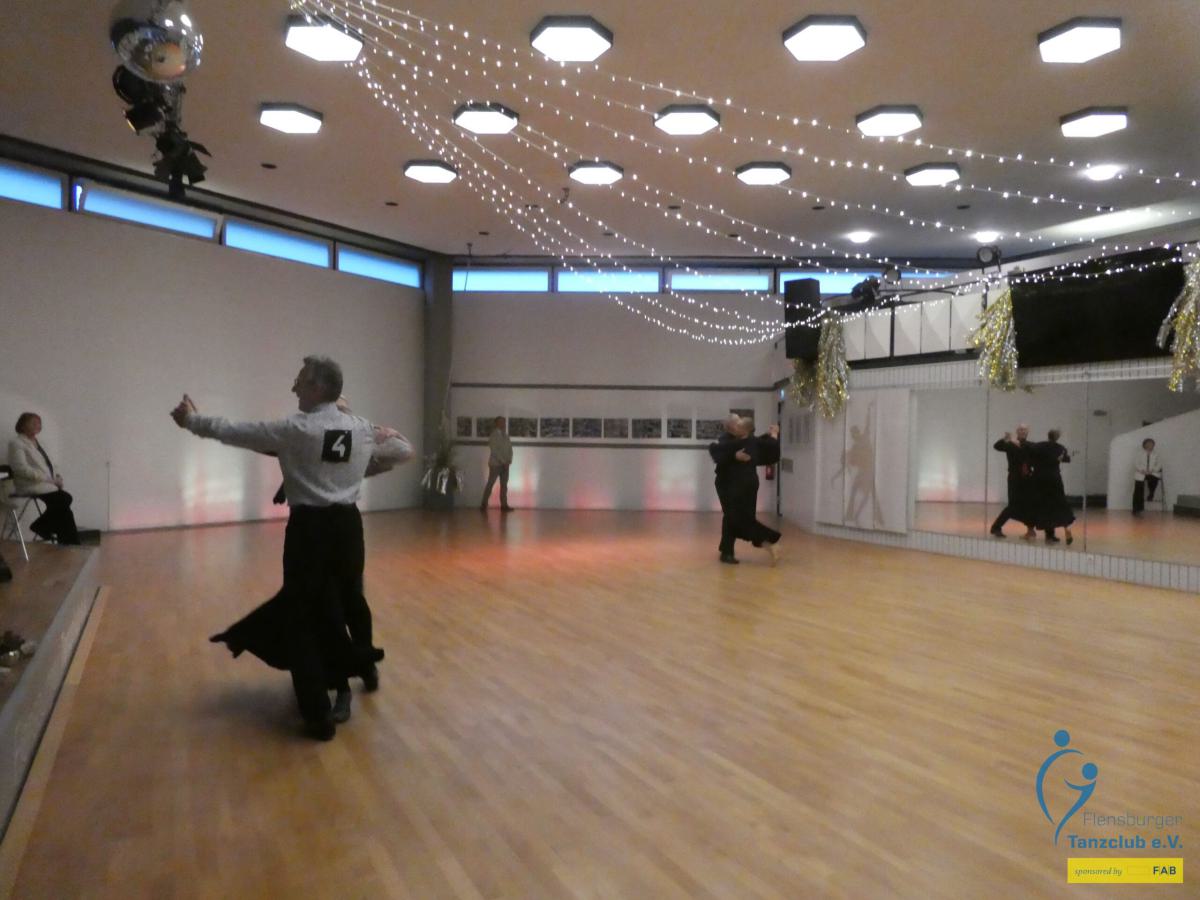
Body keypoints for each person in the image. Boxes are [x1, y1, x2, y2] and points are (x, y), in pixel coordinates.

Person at [171, 355, 412, 740]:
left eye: (300, 380)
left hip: (310, 531)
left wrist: (191, 421)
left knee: (303, 618)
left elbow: (236, 431)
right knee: (346, 601)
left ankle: (318, 713)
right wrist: (362, 465)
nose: (293, 386)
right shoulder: (362, 429)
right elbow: (402, 448)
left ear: (318, 387)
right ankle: (357, 667)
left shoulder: (296, 429)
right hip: (348, 531)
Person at [709, 416, 782, 565]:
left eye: (740, 423)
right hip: (727, 484)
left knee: (738, 518)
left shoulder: (748, 440)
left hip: (747, 484)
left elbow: (766, 450)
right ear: (730, 428)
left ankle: (727, 551)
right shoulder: (726, 440)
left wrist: (773, 436)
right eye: (736, 424)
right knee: (734, 517)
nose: (738, 425)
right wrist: (734, 456)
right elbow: (717, 453)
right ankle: (767, 540)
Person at [7, 413, 81, 545]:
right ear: (22, 425)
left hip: (45, 483)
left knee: (63, 507)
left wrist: (57, 477)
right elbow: (21, 469)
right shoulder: (16, 443)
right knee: (64, 499)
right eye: (33, 423)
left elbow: (50, 464)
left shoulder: (39, 443)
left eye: (39, 423)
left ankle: (64, 540)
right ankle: (63, 539)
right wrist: (49, 480)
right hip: (29, 484)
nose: (38, 425)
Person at [990, 424, 1036, 540]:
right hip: (1015, 479)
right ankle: (996, 527)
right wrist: (1005, 439)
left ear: (1028, 432)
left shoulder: (1030, 445)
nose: (1023, 431)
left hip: (1027, 479)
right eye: (1020, 429)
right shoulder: (1010, 445)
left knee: (1029, 505)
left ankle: (1030, 531)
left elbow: (1029, 449)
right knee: (1013, 506)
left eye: (1025, 430)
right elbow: (997, 446)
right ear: (1017, 432)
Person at [1030, 429, 1075, 545]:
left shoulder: (1038, 446)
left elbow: (1030, 455)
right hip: (1054, 479)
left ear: (1048, 435)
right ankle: (1066, 527)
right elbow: (1067, 459)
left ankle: (1050, 535)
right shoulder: (1061, 448)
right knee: (1061, 504)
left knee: (1046, 506)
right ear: (1057, 437)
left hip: (1040, 479)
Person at [479, 416, 514, 511]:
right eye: (501, 422)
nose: (503, 424)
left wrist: (509, 460)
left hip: (505, 465)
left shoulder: (506, 435)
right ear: (496, 423)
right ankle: (484, 504)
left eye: (504, 422)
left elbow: (510, 449)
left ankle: (504, 505)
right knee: (490, 484)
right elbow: (494, 451)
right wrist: (503, 461)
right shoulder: (493, 436)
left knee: (504, 486)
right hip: (495, 465)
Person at [1132, 437, 1162, 515]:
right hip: (1141, 473)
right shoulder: (1139, 453)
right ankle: (1137, 509)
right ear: (1144, 445)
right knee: (1138, 489)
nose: (1150, 446)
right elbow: (1136, 463)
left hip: (1152, 473)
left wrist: (1152, 470)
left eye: (1152, 444)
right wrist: (1142, 470)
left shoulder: (1156, 454)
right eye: (1148, 444)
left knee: (1154, 480)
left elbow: (1159, 464)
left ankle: (1151, 493)